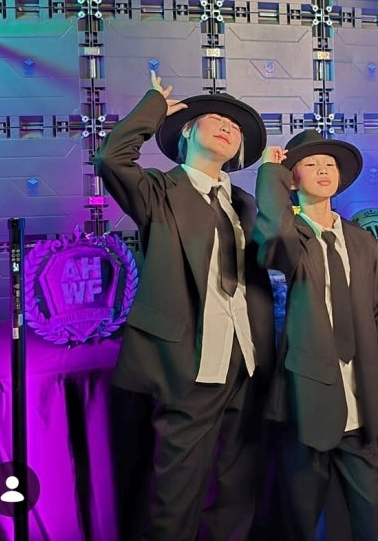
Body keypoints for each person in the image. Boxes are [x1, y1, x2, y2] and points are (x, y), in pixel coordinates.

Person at [92, 72, 275, 541]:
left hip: (247, 359)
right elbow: (111, 158)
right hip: (188, 362)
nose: (228, 126)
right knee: (176, 495)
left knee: (238, 487)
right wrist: (153, 107)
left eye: (236, 127)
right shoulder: (159, 191)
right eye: (215, 119)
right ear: (186, 132)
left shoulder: (246, 204)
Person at [254, 130, 378, 540]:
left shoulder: (360, 240)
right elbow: (273, 233)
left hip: (359, 395)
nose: (323, 170)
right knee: (300, 514)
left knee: (372, 511)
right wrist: (269, 172)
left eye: (330, 164)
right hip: (305, 397)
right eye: (311, 164)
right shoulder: (291, 237)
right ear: (293, 179)